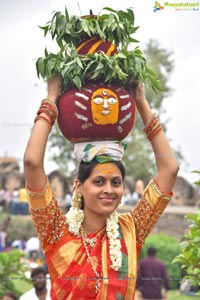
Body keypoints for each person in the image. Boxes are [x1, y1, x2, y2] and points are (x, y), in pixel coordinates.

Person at [23, 75, 179, 299]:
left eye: (116, 182)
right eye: (99, 181)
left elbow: (169, 170)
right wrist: (51, 98)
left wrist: (141, 103)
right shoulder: (55, 230)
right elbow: (32, 163)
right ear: (79, 185)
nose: (109, 189)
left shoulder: (131, 229)